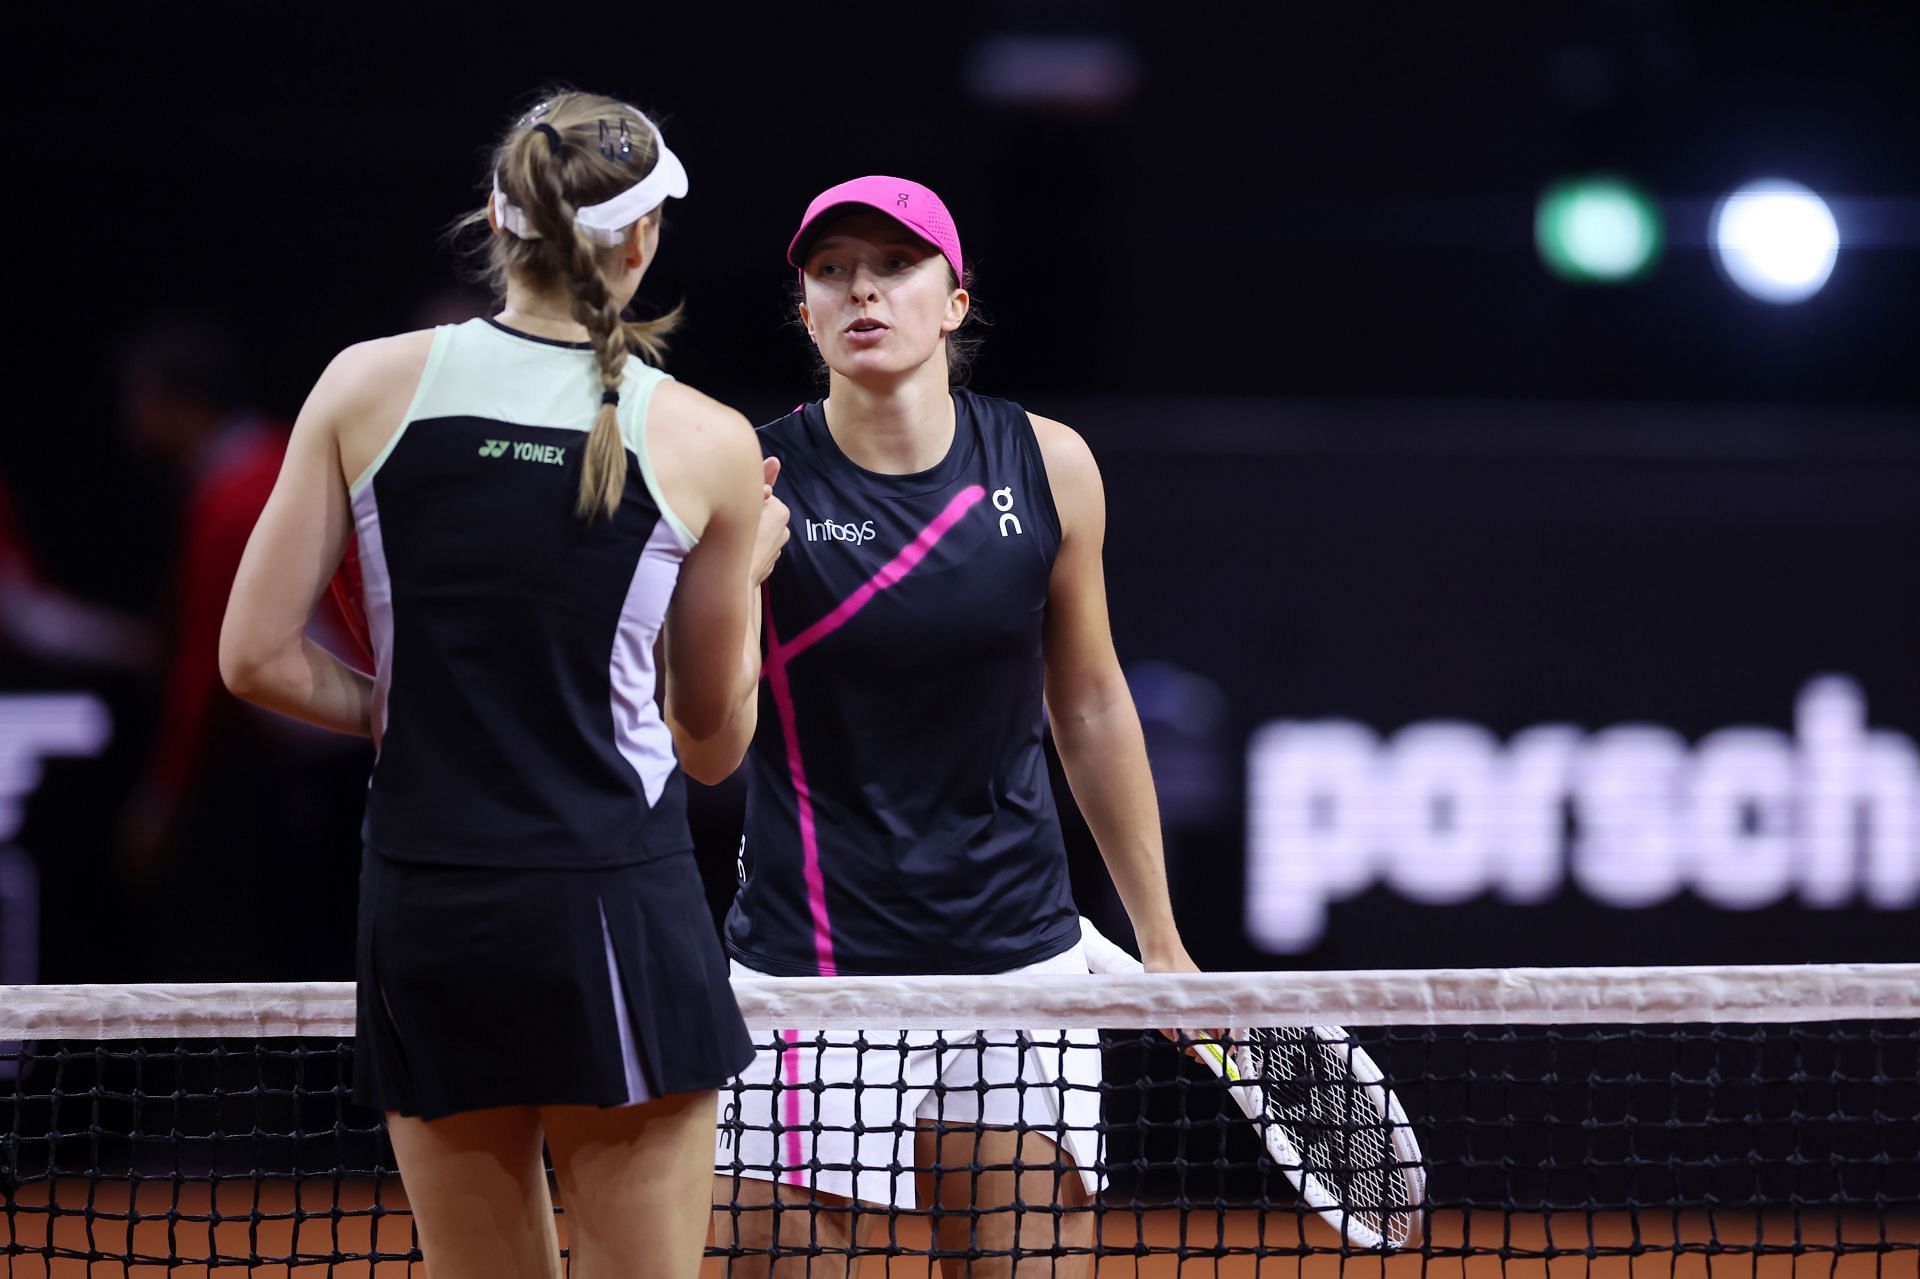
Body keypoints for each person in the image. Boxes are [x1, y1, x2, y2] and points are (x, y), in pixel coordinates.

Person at [219, 90, 785, 1279]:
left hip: (427, 912)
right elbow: (709, 744)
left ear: (497, 214)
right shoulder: (706, 440)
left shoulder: (364, 386)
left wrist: (404, 707)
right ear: (640, 242)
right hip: (613, 911)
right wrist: (763, 569)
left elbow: (255, 657)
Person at [703, 176, 1198, 1278]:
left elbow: (1091, 699)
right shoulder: (747, 474)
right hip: (808, 976)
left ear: (954, 300)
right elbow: (709, 743)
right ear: (805, 312)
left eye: (894, 264)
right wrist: (738, 580)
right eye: (831, 270)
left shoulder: (1048, 463)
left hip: (1019, 962)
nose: (862, 288)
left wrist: (1156, 932)